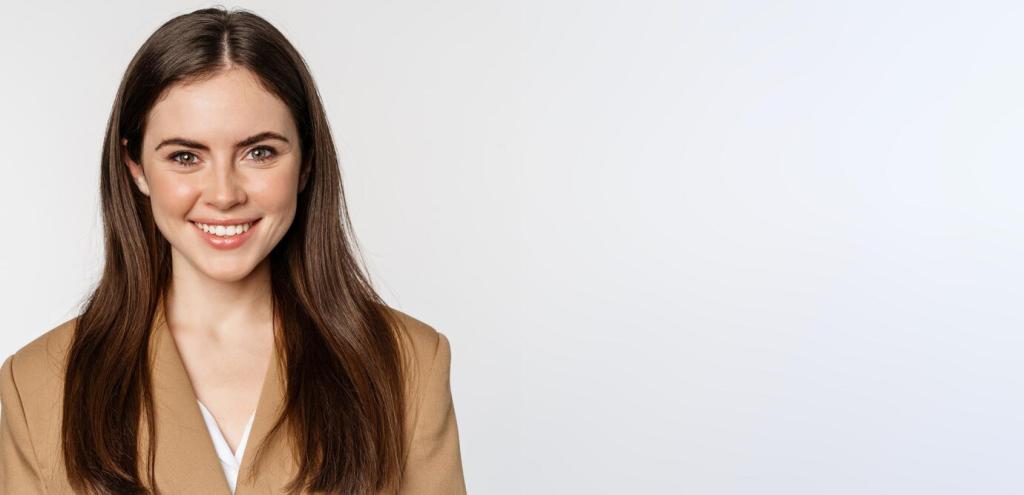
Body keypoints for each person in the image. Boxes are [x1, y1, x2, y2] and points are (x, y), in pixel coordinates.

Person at [0, 7, 467, 495]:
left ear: (306, 162)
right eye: (185, 156)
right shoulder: (39, 385)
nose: (224, 195)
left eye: (259, 152)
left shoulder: (408, 365)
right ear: (135, 167)